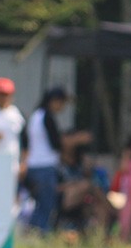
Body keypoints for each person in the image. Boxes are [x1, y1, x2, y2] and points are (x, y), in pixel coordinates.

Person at [20, 86, 90, 233]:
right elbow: (55, 144)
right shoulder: (47, 117)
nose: (62, 107)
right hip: (45, 166)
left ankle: (33, 232)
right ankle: (40, 232)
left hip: (33, 165)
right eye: (62, 103)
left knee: (39, 203)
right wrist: (75, 140)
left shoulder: (35, 115)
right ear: (54, 101)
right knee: (46, 203)